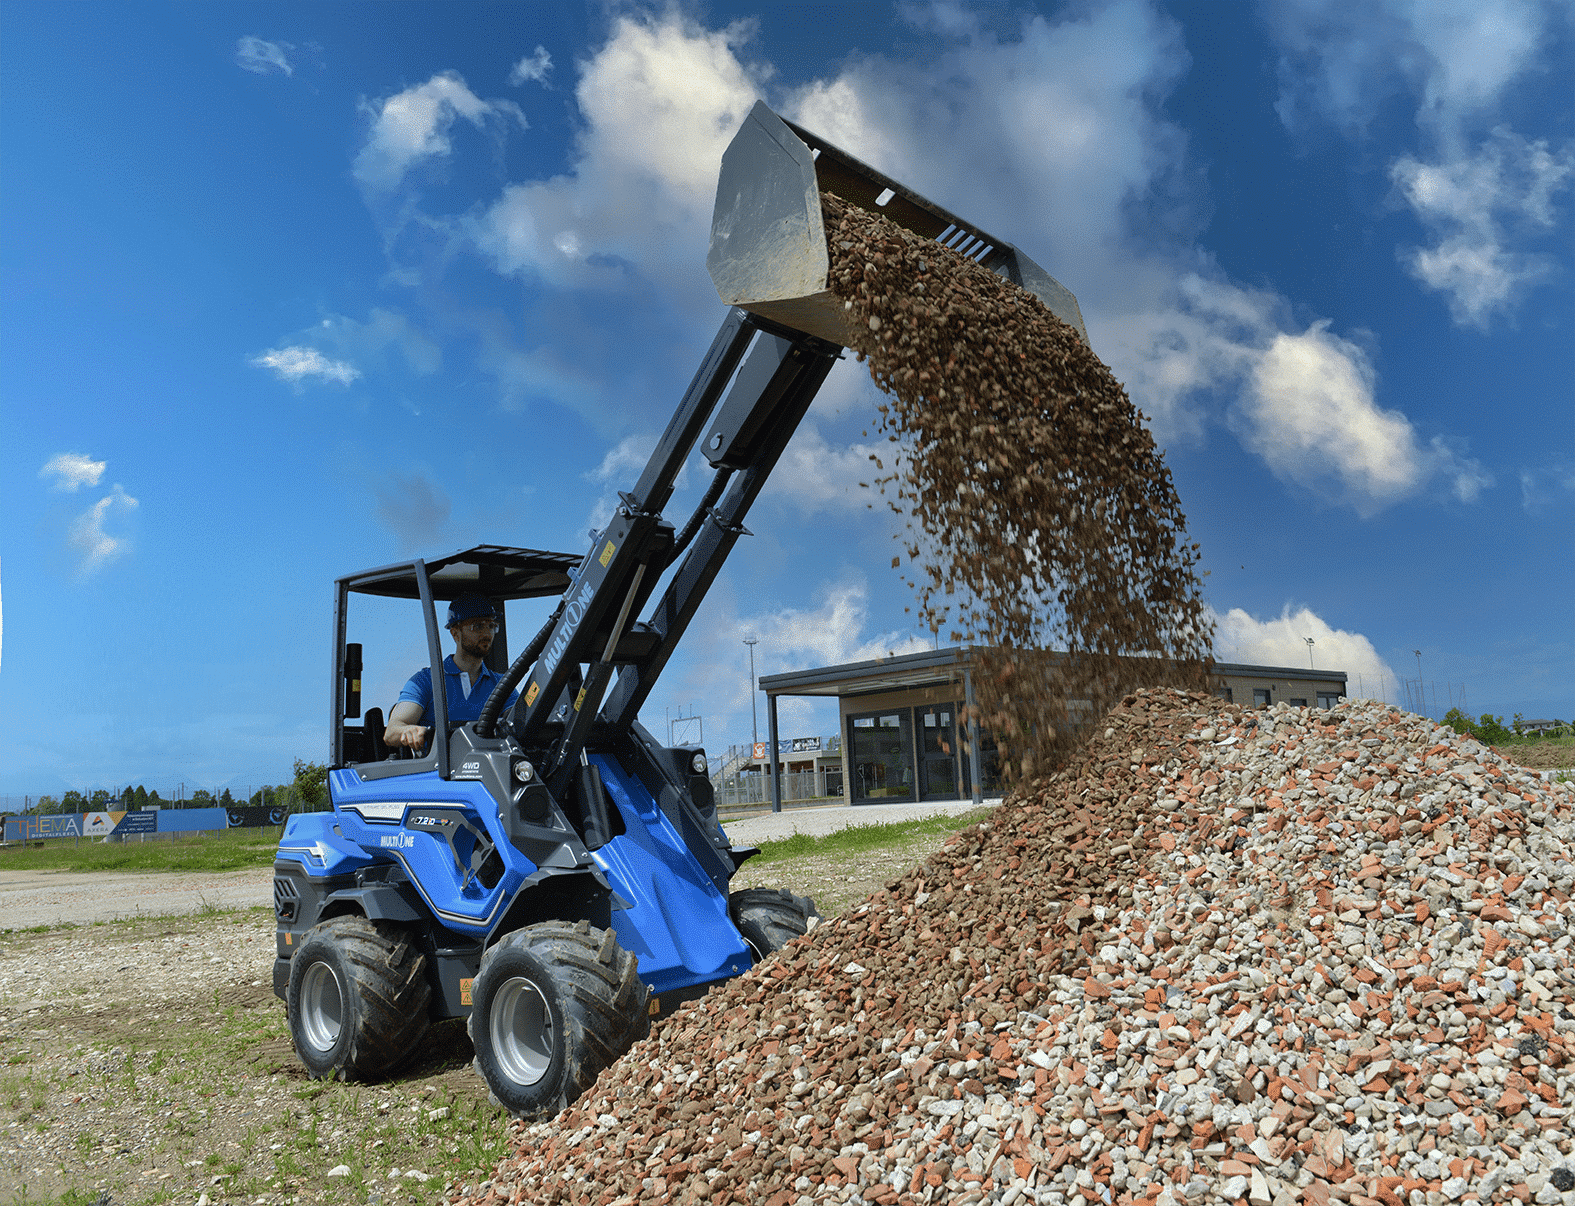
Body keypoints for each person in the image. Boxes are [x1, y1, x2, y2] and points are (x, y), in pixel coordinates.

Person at [385, 595, 518, 750]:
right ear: (455, 634)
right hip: (440, 770)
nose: (487, 634)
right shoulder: (426, 681)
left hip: (488, 767)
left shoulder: (502, 684)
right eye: (477, 626)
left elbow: (520, 722)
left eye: (491, 626)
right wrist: (409, 730)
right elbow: (391, 732)